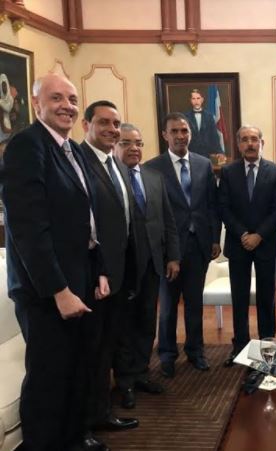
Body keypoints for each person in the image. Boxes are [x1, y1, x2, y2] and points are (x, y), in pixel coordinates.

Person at [2, 74, 111, 450]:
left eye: (72, 98)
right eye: (56, 98)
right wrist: (59, 291)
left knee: (76, 367)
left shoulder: (72, 149)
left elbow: (88, 220)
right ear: (36, 104)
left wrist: (98, 272)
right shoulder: (25, 147)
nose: (67, 105)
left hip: (80, 279)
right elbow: (28, 230)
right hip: (45, 290)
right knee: (49, 377)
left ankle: (74, 439)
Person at [79, 100, 140, 436]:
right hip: (95, 276)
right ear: (86, 124)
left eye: (116, 124)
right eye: (104, 123)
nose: (112, 130)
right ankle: (86, 422)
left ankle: (101, 412)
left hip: (118, 272)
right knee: (92, 350)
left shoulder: (112, 161)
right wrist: (101, 270)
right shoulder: (79, 161)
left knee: (107, 346)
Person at [146, 112, 221, 378]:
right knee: (167, 306)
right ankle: (166, 354)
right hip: (169, 251)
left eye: (184, 131)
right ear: (165, 135)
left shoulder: (203, 164)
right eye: (174, 131)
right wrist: (163, 251)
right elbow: (152, 213)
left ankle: (195, 351)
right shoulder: (152, 168)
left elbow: (212, 205)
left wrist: (214, 238)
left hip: (198, 245)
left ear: (190, 134)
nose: (180, 136)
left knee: (194, 304)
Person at [112, 123, 181, 408]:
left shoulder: (154, 177)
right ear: (116, 146)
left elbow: (168, 220)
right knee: (124, 325)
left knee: (145, 321)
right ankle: (125, 380)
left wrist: (173, 256)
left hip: (154, 262)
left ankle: (141, 372)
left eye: (138, 143)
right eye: (126, 143)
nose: (134, 148)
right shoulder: (109, 177)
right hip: (123, 266)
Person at [219, 125, 276, 364]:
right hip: (238, 244)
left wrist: (259, 235)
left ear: (261, 142)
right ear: (238, 144)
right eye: (244, 139)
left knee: (267, 296)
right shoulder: (228, 172)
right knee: (239, 296)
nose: (250, 143)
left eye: (254, 139)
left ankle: (267, 344)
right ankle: (240, 346)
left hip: (265, 244)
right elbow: (223, 207)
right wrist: (243, 234)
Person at [184, 88, 223, 158]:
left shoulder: (209, 116)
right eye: (193, 98)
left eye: (198, 98)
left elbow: (214, 135)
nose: (196, 101)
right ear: (190, 100)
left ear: (202, 99)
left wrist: (219, 151)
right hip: (190, 153)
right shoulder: (185, 117)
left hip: (206, 154)